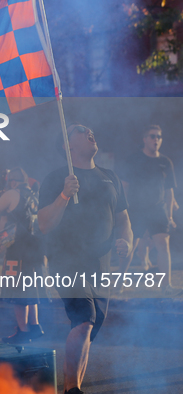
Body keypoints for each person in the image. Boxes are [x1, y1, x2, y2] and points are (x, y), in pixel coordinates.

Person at [38, 124, 132, 394]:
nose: (89, 131)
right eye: (80, 130)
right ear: (69, 147)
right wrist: (64, 195)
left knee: (90, 326)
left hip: (100, 264)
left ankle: (74, 386)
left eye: (89, 129)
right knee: (84, 319)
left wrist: (126, 240)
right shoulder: (57, 178)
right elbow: (43, 224)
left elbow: (124, 220)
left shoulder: (110, 177)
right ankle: (70, 389)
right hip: (67, 260)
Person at [0, 168, 45, 344]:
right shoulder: (32, 194)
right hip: (33, 249)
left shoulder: (13, 193)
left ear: (12, 181)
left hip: (18, 249)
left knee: (17, 290)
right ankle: (34, 325)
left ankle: (23, 331)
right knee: (29, 289)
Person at [119, 125, 180, 295]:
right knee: (131, 246)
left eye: (159, 137)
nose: (156, 140)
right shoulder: (133, 160)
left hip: (157, 210)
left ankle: (166, 286)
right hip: (136, 209)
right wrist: (122, 211)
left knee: (163, 245)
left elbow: (169, 191)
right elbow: (124, 186)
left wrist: (168, 215)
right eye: (152, 136)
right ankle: (120, 280)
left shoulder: (165, 162)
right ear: (144, 139)